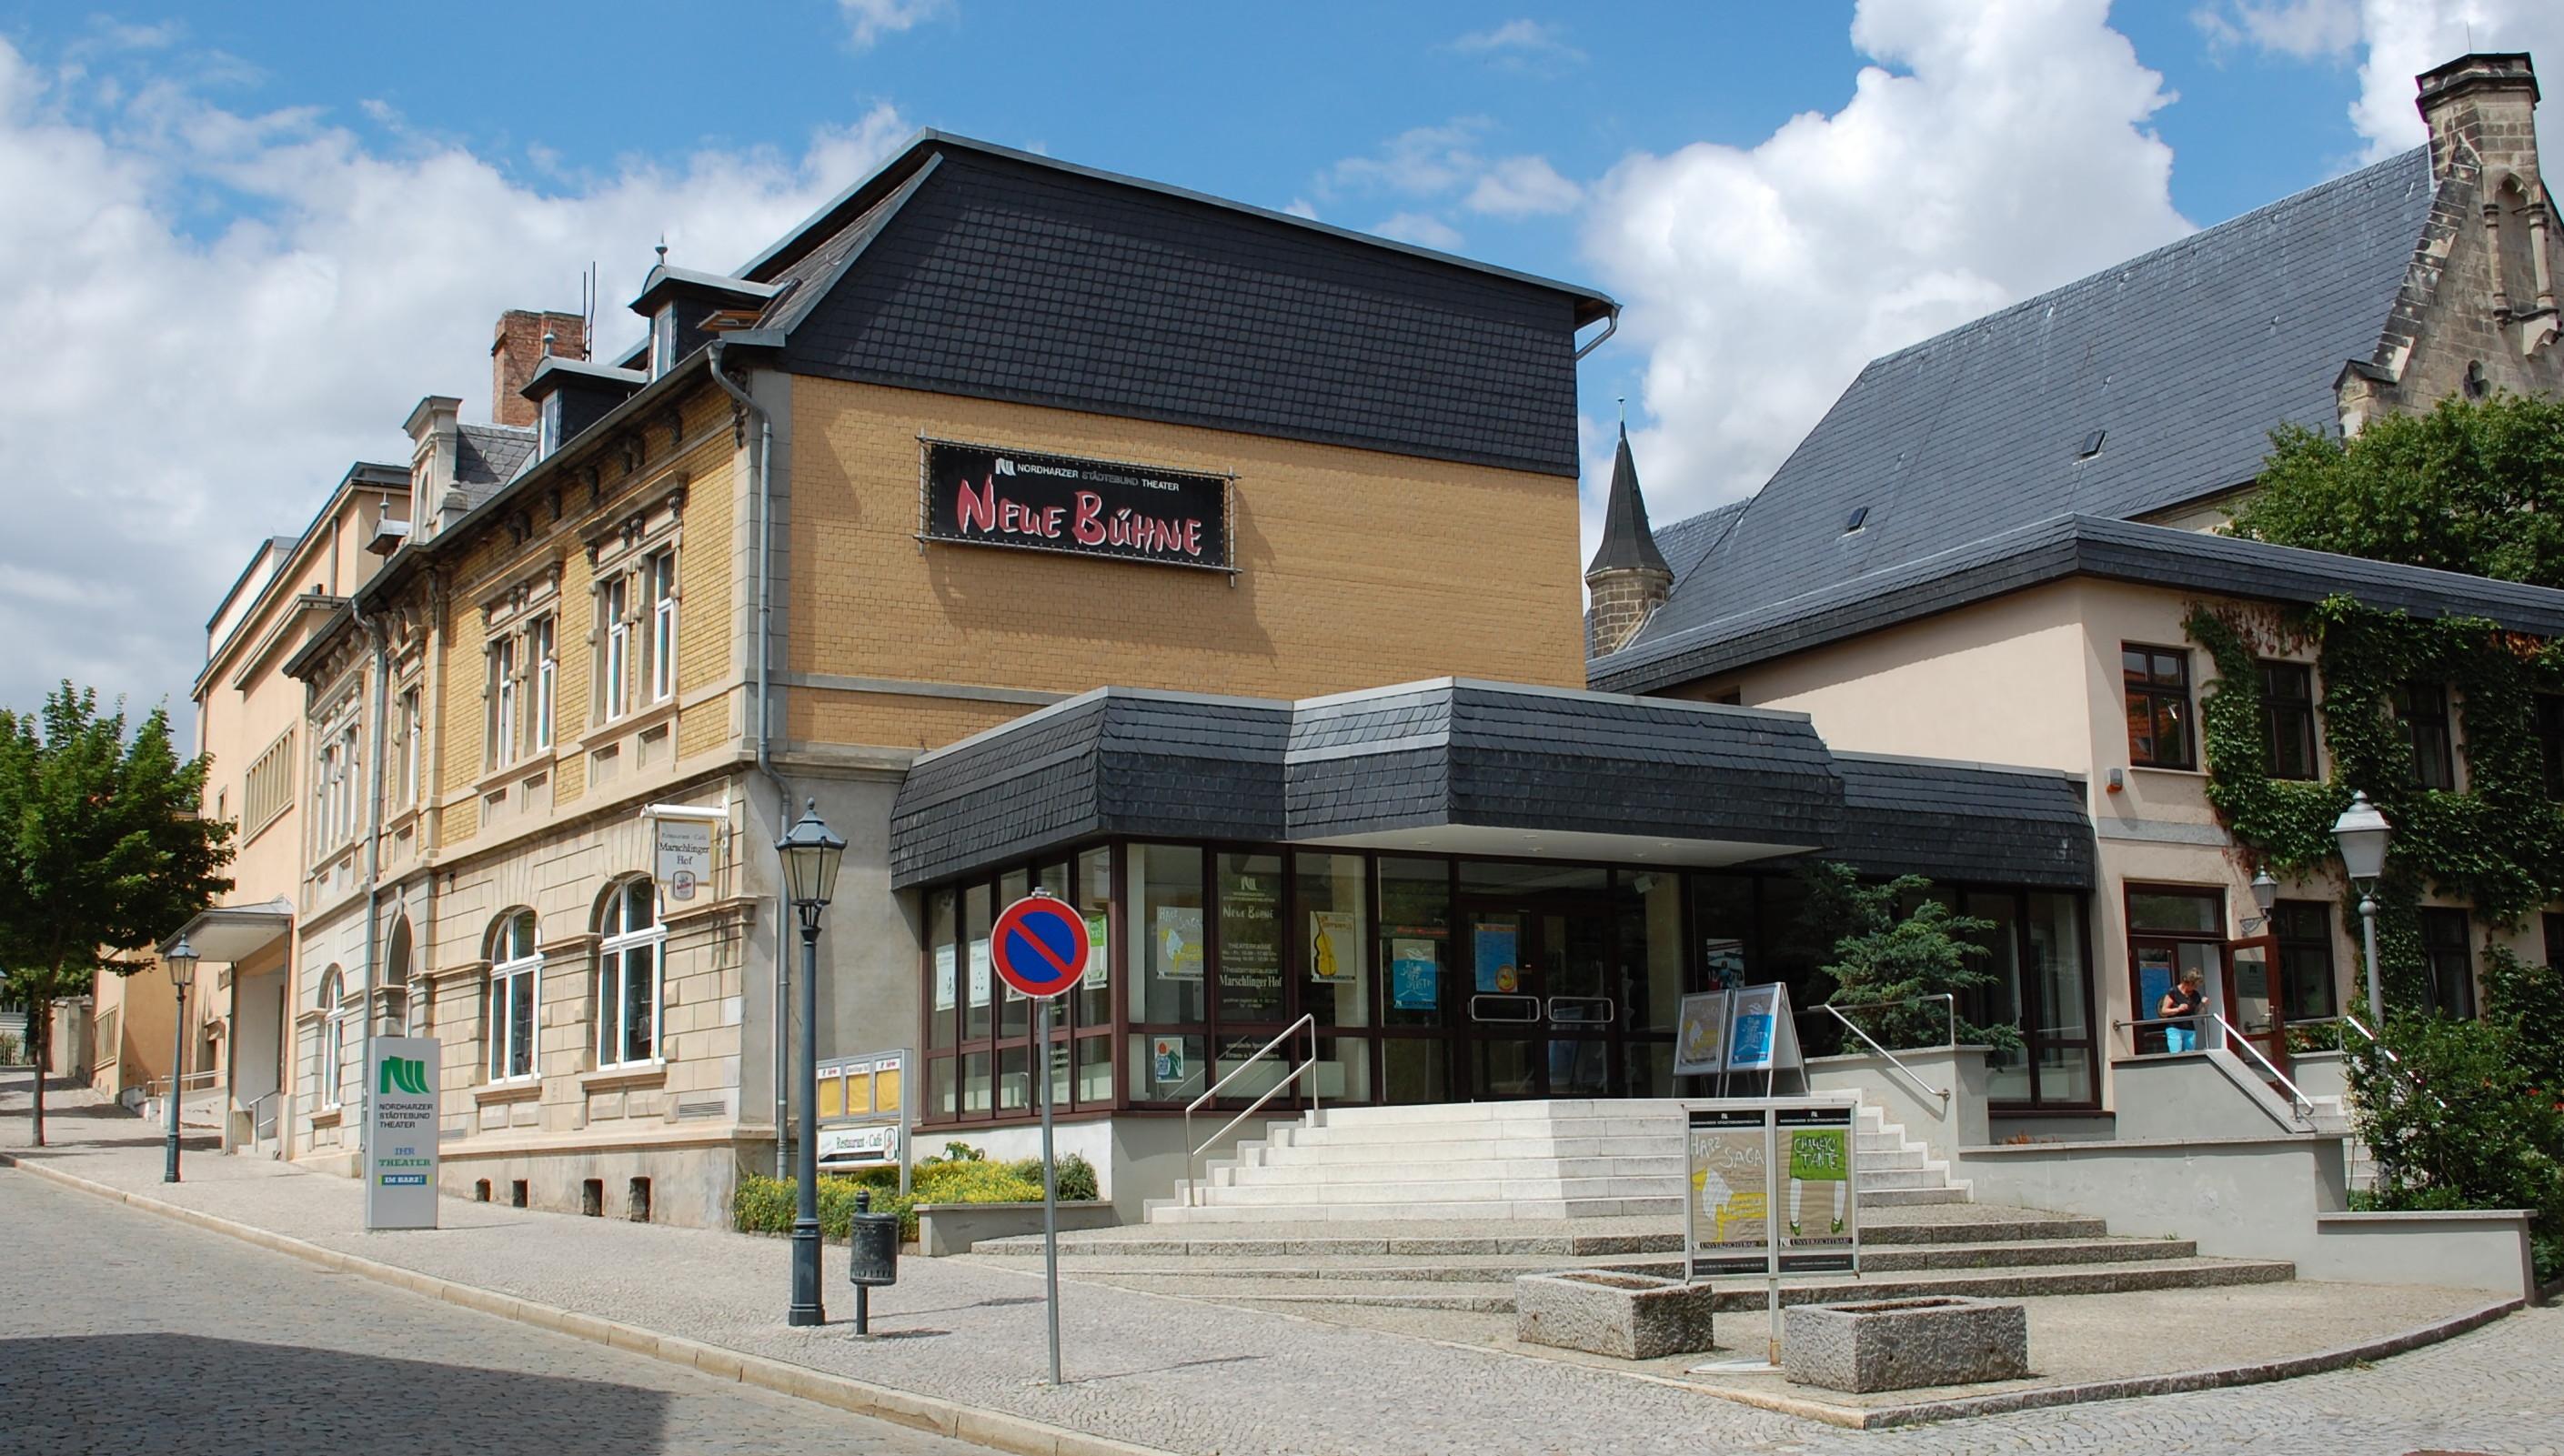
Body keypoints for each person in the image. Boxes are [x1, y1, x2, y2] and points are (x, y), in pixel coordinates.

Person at [2160, 967, 2207, 1053]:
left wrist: (2203, 1005)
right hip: (2174, 1028)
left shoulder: (2195, 995)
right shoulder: (2173, 991)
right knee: (2176, 1054)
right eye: (2194, 985)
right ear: (2187, 982)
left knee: (2190, 1055)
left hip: (2189, 1028)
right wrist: (2178, 1009)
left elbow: (2197, 1013)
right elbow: (2163, 1011)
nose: (2195, 988)